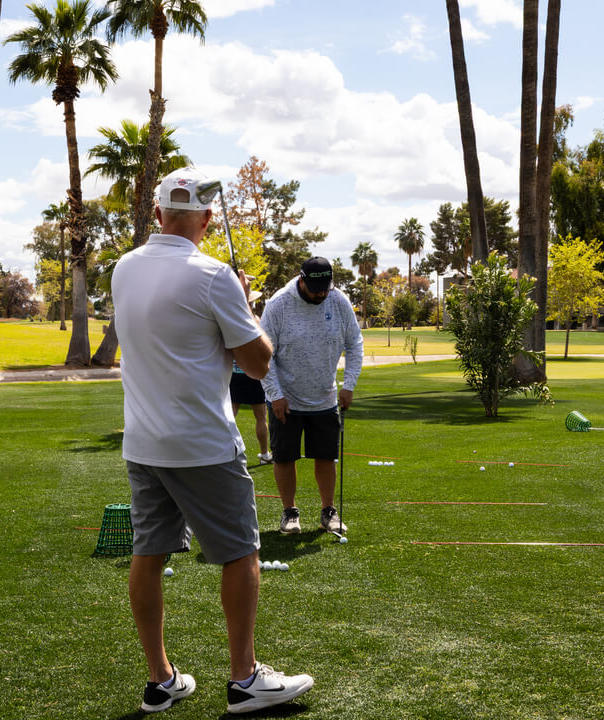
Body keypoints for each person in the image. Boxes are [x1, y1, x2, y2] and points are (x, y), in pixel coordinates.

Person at [112, 168, 314, 714]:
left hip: (143, 443)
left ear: (157, 215)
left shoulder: (124, 269)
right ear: (205, 219)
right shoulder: (214, 275)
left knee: (148, 553)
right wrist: (243, 305)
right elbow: (257, 361)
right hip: (202, 444)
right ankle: (245, 678)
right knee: (241, 552)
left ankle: (161, 679)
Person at [260, 256, 363, 535]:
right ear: (301, 279)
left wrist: (349, 384)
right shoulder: (279, 304)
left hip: (324, 397)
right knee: (284, 457)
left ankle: (328, 511)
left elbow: (355, 344)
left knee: (326, 456)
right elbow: (263, 355)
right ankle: (289, 512)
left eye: (325, 289)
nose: (320, 294)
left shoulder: (338, 301)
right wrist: (275, 394)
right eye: (315, 288)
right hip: (285, 398)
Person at [230, 290, 273, 465]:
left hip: (234, 375)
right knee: (261, 417)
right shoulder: (254, 321)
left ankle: (227, 453)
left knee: (229, 417)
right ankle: (264, 454)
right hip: (253, 374)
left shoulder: (231, 319)